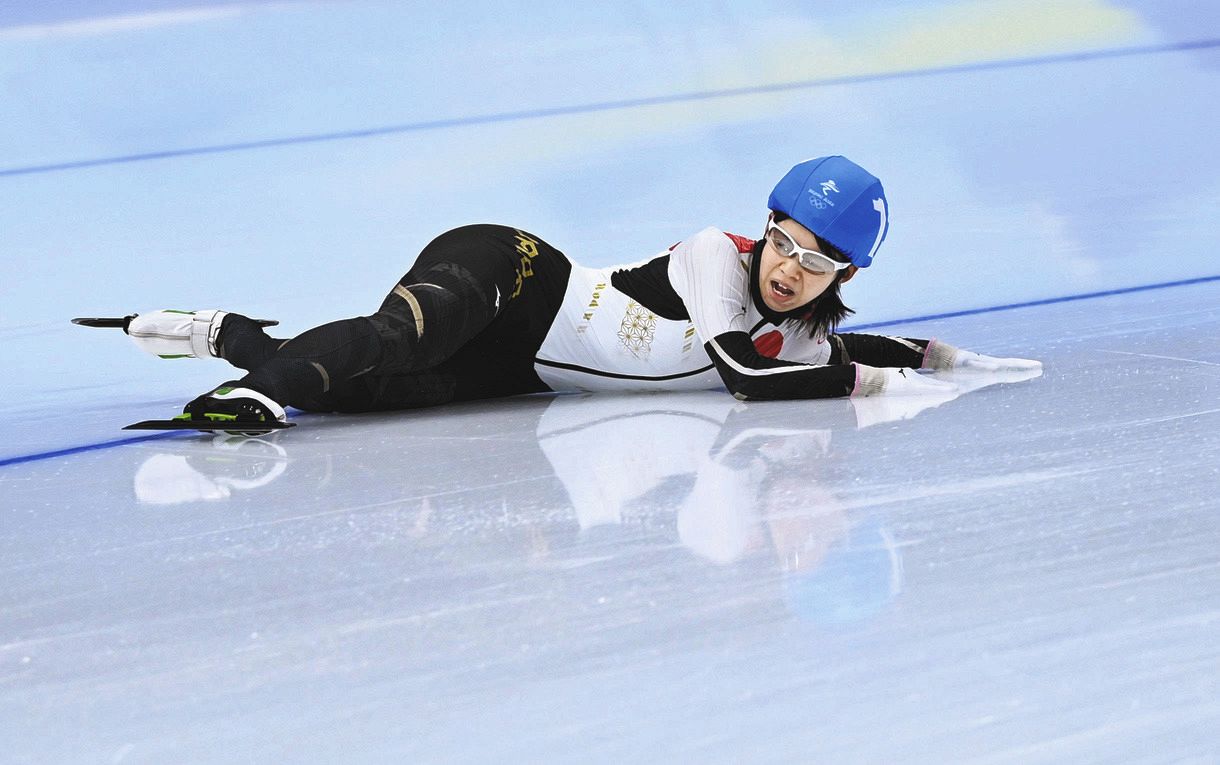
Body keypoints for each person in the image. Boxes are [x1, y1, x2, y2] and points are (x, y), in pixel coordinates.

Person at [125, 155, 1040, 425]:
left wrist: (946, 360)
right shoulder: (711, 259)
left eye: (816, 261)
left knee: (370, 400)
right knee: (396, 334)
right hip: (518, 276)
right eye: (783, 239)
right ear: (762, 226)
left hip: (523, 371)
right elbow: (751, 382)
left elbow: (843, 350)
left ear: (843, 276)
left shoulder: (803, 333)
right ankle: (253, 395)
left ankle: (228, 333)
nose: (788, 266)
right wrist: (884, 383)